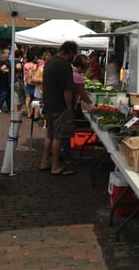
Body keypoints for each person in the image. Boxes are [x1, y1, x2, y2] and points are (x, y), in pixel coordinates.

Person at [38, 41, 78, 176]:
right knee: (58, 136)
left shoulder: (49, 62)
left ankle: (44, 162)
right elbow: (67, 90)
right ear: (71, 52)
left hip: (49, 103)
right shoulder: (65, 65)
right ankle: (55, 166)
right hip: (60, 105)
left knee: (50, 134)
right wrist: (69, 107)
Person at [61, 54, 94, 164]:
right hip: (69, 106)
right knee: (66, 133)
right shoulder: (77, 76)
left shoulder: (68, 72)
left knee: (61, 133)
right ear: (81, 67)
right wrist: (92, 105)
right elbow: (83, 95)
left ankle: (63, 154)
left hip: (61, 105)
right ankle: (67, 157)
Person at [0, 49, 11, 113]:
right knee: (2, 94)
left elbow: (7, 70)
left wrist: (7, 69)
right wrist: (7, 70)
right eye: (7, 53)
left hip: (7, 81)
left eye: (9, 53)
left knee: (8, 95)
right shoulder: (0, 61)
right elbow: (3, 70)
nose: (8, 55)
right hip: (1, 81)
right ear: (3, 54)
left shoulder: (8, 61)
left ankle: (9, 108)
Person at [23, 49, 37, 118]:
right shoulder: (35, 65)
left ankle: (28, 113)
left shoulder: (25, 65)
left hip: (26, 82)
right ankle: (34, 113)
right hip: (34, 83)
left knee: (27, 98)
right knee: (34, 98)